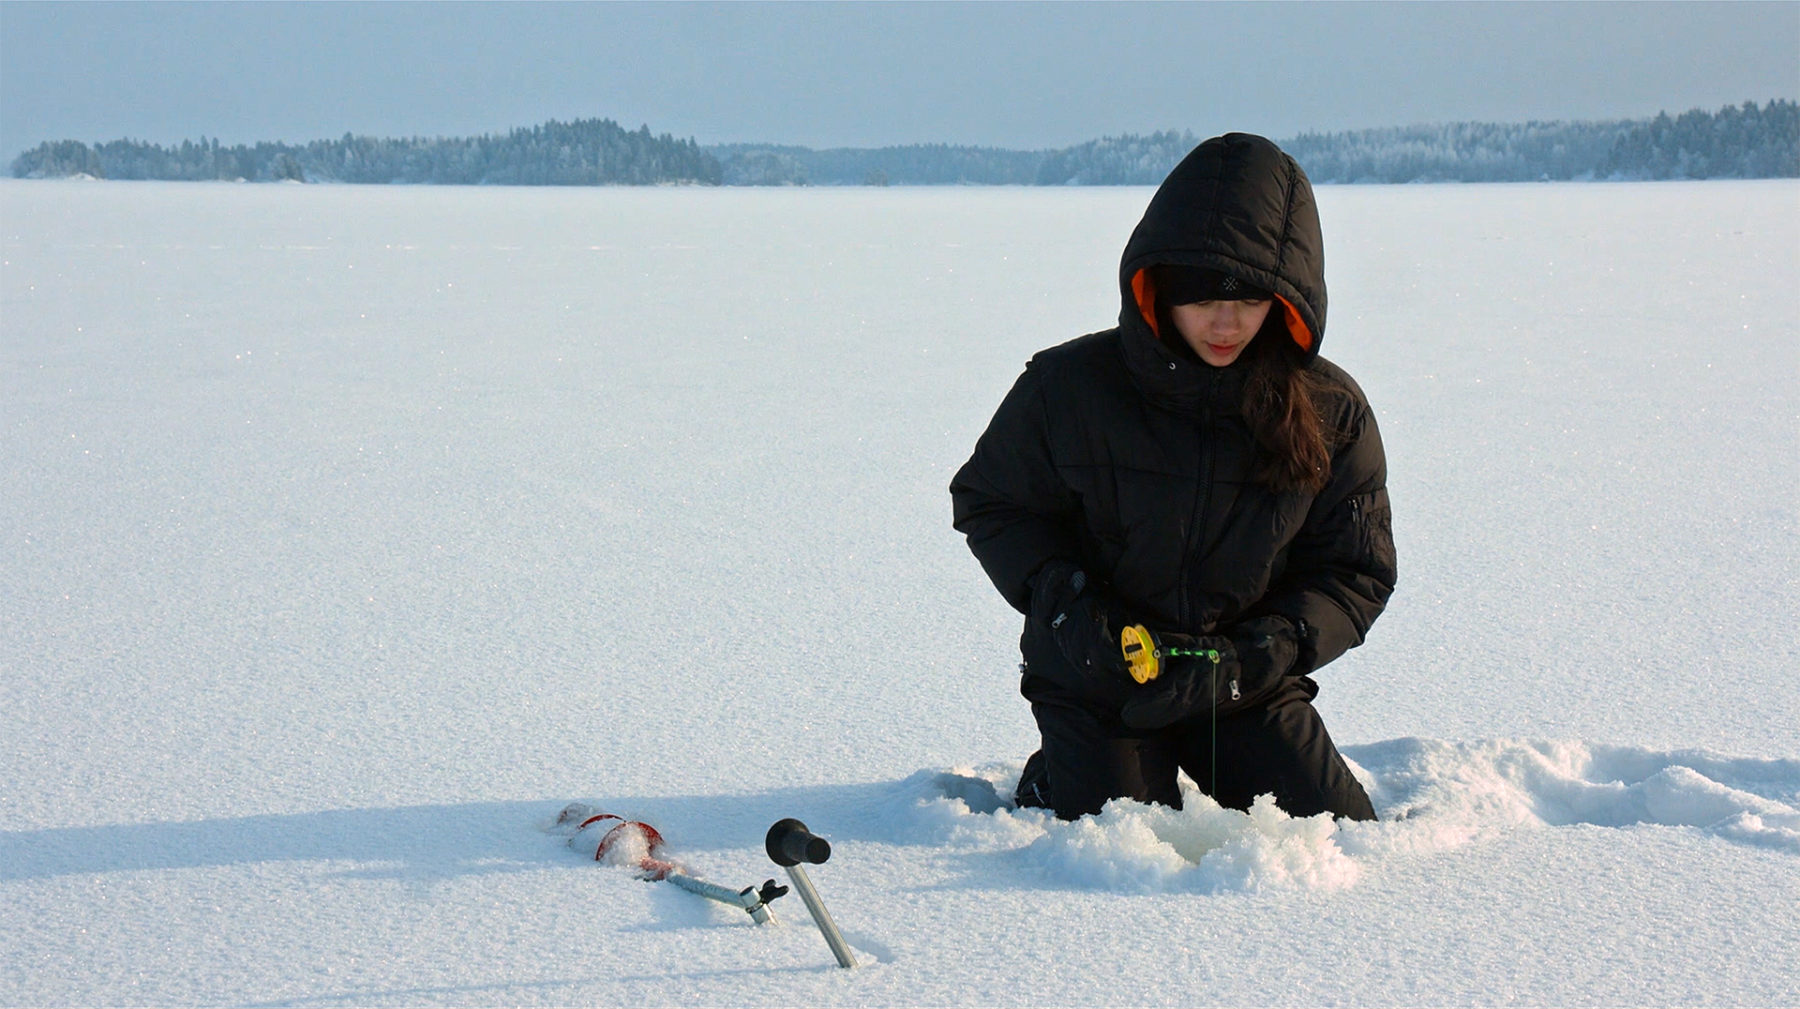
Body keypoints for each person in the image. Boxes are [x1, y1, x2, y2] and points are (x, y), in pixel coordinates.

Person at [950, 133, 1394, 822]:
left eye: (1250, 298)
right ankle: (1063, 770)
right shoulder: (1068, 388)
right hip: (1102, 676)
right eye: (1200, 295)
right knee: (1130, 834)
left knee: (1337, 830)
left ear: (1286, 298)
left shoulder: (1330, 411)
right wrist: (1067, 602)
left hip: (1240, 683)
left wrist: (1270, 647)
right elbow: (991, 500)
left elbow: (1355, 568)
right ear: (1156, 284)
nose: (1226, 321)